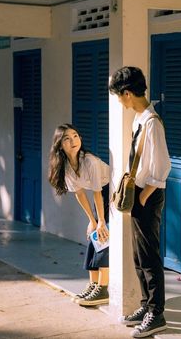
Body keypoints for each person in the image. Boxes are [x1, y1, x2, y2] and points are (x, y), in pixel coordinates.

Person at [109, 67, 171, 337]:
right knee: (138, 255)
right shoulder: (139, 118)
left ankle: (157, 313)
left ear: (127, 93)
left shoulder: (151, 123)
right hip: (139, 195)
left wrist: (143, 197)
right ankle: (146, 306)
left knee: (149, 257)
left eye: (119, 97)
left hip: (148, 195)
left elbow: (162, 168)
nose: (120, 103)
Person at [48, 123, 109, 307]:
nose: (73, 141)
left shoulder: (89, 161)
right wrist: (92, 221)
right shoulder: (65, 165)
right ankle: (93, 284)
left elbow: (98, 192)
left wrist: (101, 222)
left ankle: (103, 287)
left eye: (75, 136)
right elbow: (80, 193)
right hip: (99, 195)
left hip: (111, 191)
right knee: (93, 237)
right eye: (67, 138)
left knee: (103, 238)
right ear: (60, 145)